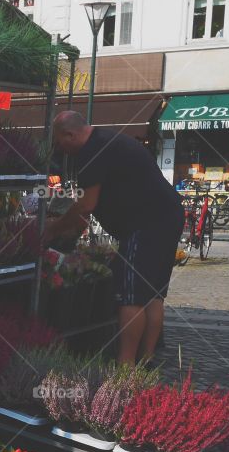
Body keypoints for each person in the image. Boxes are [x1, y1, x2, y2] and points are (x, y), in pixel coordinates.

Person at [47, 111, 184, 364]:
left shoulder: (92, 151)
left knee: (130, 294)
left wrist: (53, 229)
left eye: (59, 141)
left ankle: (125, 365)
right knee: (153, 294)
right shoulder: (107, 140)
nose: (59, 148)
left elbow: (87, 205)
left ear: (70, 134)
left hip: (145, 223)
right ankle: (146, 359)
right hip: (168, 215)